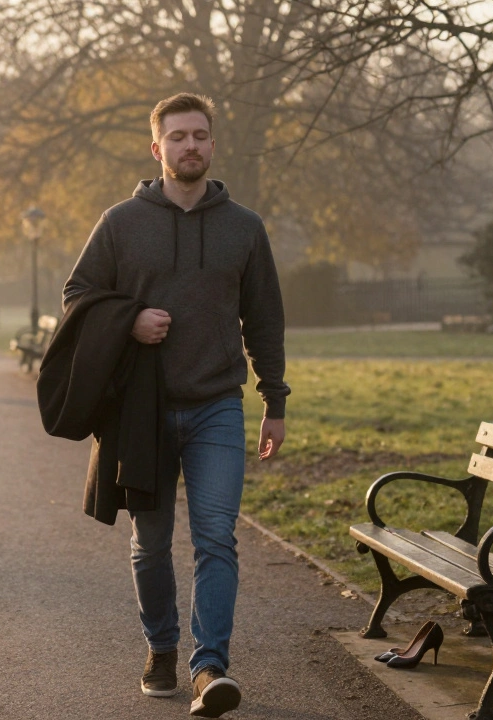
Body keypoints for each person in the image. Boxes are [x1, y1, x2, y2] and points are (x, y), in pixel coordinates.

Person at [62, 92, 290, 718]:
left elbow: (264, 319)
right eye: (178, 136)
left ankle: (209, 666)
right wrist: (131, 319)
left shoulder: (244, 226)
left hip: (218, 403)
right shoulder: (119, 222)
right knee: (152, 542)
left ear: (212, 145)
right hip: (143, 409)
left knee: (217, 538)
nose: (190, 146)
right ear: (156, 147)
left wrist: (274, 399)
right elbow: (77, 293)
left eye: (201, 135)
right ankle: (162, 646)